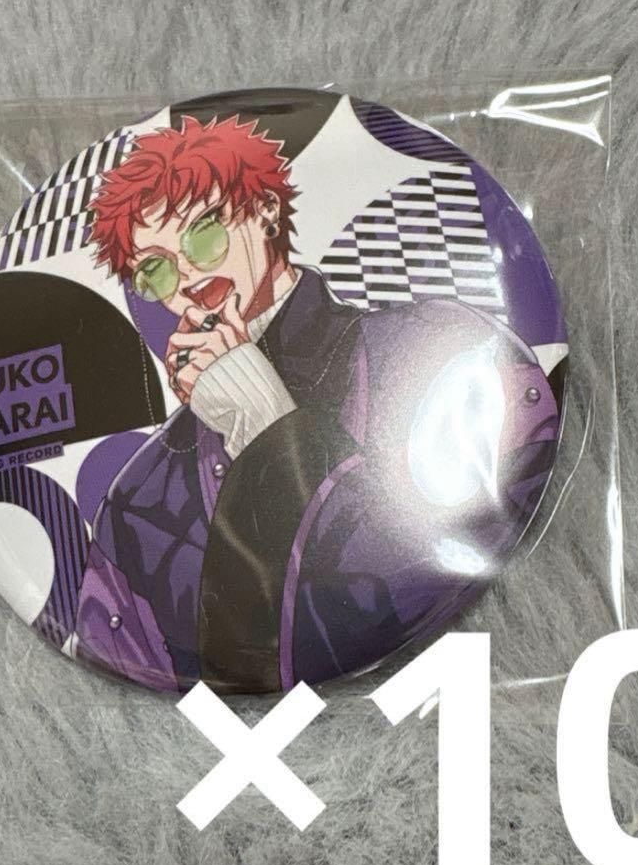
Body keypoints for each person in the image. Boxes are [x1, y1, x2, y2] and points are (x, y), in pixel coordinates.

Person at [73, 114, 560, 693]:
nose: (187, 279)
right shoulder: (138, 495)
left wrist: (270, 433)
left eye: (204, 235)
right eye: (155, 270)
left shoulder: (449, 351)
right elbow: (133, 667)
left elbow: (425, 582)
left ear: (265, 211)